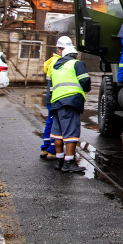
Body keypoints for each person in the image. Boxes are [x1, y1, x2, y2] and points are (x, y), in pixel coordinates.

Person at [49, 45, 91, 173]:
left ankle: (60, 161)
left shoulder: (56, 66)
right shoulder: (76, 64)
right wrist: (86, 89)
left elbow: (51, 87)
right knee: (71, 133)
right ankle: (69, 162)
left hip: (56, 102)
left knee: (58, 133)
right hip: (70, 101)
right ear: (75, 55)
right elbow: (85, 80)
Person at [40, 36, 74, 160]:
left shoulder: (52, 61)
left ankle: (46, 147)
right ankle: (52, 150)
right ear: (59, 49)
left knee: (51, 121)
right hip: (56, 98)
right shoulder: (58, 62)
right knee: (55, 124)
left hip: (52, 97)